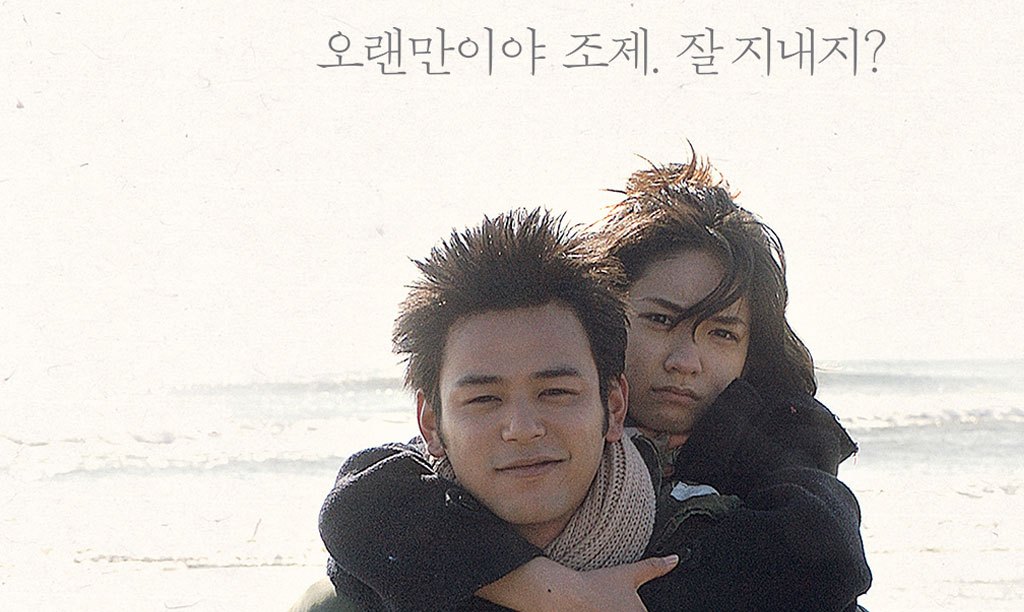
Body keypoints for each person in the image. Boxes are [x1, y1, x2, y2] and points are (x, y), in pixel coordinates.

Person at [302, 155, 871, 610]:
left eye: (722, 333)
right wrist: (544, 589)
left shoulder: (774, 437)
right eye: (660, 320)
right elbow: (364, 503)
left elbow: (825, 553)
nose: (686, 361)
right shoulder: (518, 437)